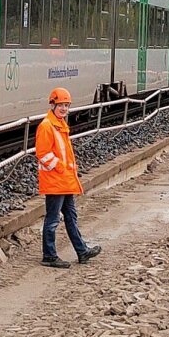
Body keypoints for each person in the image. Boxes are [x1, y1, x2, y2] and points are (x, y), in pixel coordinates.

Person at [36, 87, 102, 268]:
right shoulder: (47, 126)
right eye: (61, 105)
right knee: (52, 220)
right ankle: (49, 256)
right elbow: (43, 154)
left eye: (66, 106)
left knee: (71, 217)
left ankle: (82, 251)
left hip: (64, 181)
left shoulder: (59, 125)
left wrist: (65, 170)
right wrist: (61, 167)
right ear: (53, 105)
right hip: (56, 181)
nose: (64, 109)